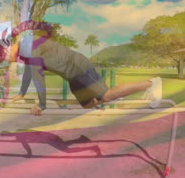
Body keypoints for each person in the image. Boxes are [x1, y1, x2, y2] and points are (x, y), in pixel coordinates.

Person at [10, 29, 162, 116]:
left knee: (106, 95)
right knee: (87, 104)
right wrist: (22, 93)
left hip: (78, 67)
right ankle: (115, 95)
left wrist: (42, 105)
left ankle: (151, 83)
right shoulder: (24, 53)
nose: (4, 59)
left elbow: (38, 77)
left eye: (3, 54)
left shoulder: (28, 45)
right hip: (71, 76)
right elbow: (30, 73)